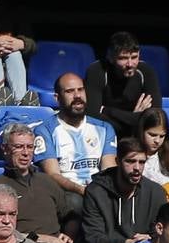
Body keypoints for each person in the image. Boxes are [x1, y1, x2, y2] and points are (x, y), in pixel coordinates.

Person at [80, 138, 167, 243]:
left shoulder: (155, 192)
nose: (137, 168)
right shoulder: (96, 191)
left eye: (142, 162)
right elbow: (93, 238)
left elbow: (161, 230)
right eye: (130, 161)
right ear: (117, 161)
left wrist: (150, 239)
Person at [35, 73, 118, 213]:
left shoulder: (104, 128)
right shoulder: (45, 130)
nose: (77, 96)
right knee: (77, 203)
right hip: (67, 193)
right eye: (69, 91)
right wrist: (80, 189)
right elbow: (52, 174)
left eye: (80, 90)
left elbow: (108, 170)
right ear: (57, 98)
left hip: (99, 190)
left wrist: (97, 191)